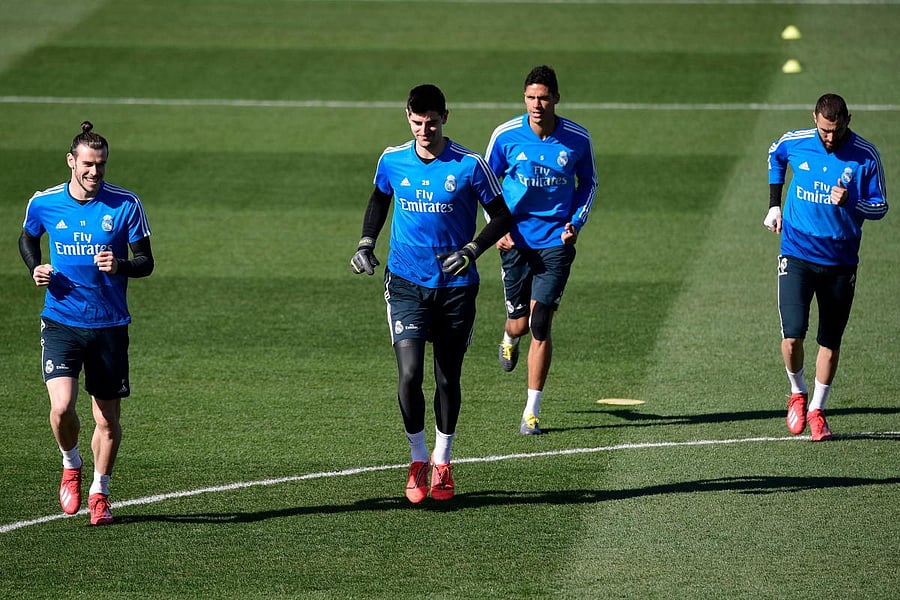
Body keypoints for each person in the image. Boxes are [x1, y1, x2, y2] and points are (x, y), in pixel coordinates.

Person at [350, 84, 511, 503]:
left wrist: (472, 250)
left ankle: (443, 460)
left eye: (432, 122)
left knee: (446, 377)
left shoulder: (471, 164)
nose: (425, 130)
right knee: (408, 374)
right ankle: (418, 458)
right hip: (405, 282)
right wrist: (366, 243)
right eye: (418, 122)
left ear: (445, 117)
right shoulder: (392, 159)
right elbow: (378, 199)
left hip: (456, 289)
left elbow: (502, 217)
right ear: (408, 116)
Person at [19, 121, 154, 525]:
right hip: (61, 320)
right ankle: (70, 463)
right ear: (71, 161)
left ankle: (100, 492)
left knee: (106, 419)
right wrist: (35, 267)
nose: (95, 173)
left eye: (101, 166)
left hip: (109, 325)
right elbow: (28, 237)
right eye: (88, 165)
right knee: (61, 409)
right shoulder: (43, 202)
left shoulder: (126, 204)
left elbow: (146, 262)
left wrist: (121, 265)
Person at [765, 93, 888, 441]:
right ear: (814, 120)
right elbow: (776, 156)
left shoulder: (865, 156)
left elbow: (880, 208)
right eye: (824, 130)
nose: (829, 137)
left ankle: (818, 410)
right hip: (797, 254)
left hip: (840, 262)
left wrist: (853, 201)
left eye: (835, 130)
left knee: (830, 342)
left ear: (848, 120)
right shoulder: (797, 142)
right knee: (792, 336)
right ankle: (797, 392)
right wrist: (774, 205)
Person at [485, 65, 597, 435]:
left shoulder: (577, 139)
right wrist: (496, 227)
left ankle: (531, 411)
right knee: (518, 323)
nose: (537, 104)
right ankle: (508, 336)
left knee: (540, 324)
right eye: (531, 97)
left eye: (544, 97)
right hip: (515, 241)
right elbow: (486, 183)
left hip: (555, 243)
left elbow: (589, 184)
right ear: (525, 98)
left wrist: (575, 222)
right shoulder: (506, 136)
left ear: (556, 99)